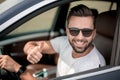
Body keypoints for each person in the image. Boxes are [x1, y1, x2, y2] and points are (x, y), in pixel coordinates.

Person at [23, 4, 106, 77]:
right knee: (30, 68)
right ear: (67, 31)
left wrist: (18, 69)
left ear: (94, 33)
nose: (80, 38)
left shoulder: (93, 67)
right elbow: (31, 44)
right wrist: (30, 50)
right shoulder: (64, 42)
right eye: (74, 30)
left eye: (87, 31)